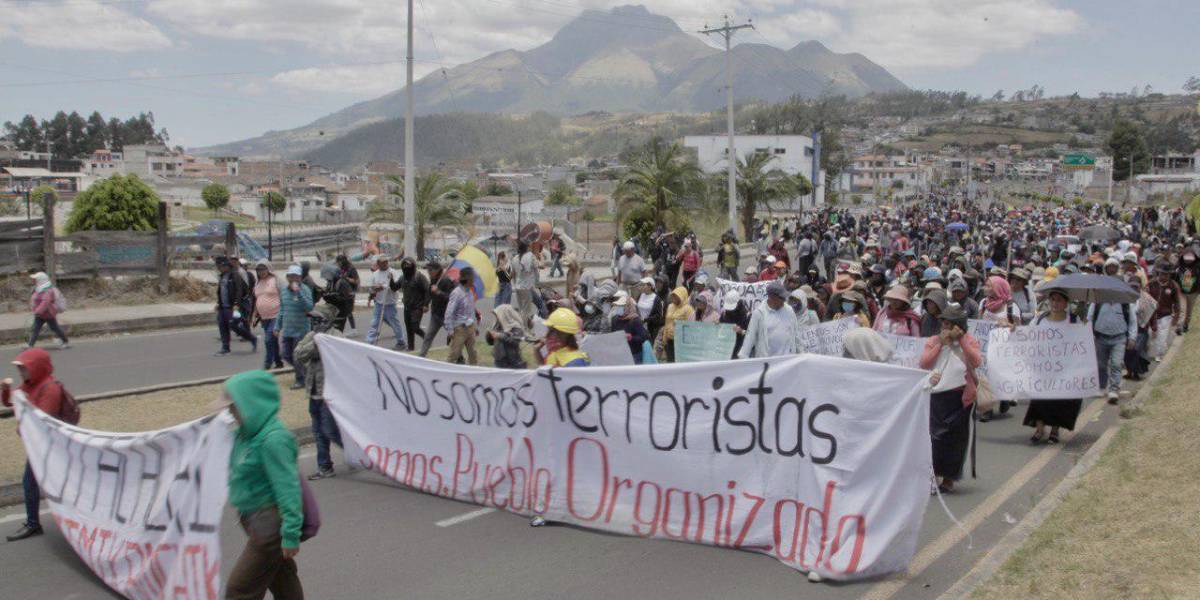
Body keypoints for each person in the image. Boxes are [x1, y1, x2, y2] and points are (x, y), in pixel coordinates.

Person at [221, 371, 305, 599]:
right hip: (254, 520)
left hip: (270, 527)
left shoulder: (274, 440)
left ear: (251, 405)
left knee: (239, 590)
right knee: (284, 582)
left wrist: (290, 533)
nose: (230, 412)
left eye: (234, 406)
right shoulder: (245, 436)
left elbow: (288, 489)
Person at [2, 348, 72, 541]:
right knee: (35, 482)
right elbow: (10, 403)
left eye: (23, 368)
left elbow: (42, 420)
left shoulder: (50, 388)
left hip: (51, 446)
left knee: (35, 482)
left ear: (37, 368)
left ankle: (36, 524)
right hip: (39, 445)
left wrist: (23, 425)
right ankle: (36, 523)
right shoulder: (30, 385)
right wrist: (6, 390)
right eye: (19, 368)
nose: (20, 372)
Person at [920, 303, 983, 494]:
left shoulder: (969, 341)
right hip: (936, 396)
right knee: (935, 439)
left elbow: (976, 361)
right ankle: (932, 476)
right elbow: (924, 363)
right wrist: (940, 343)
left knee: (955, 441)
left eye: (949, 324)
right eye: (943, 324)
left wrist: (961, 340)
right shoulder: (933, 340)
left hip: (960, 397)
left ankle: (949, 478)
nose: (945, 328)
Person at [1023, 289, 1084, 444]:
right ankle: (1039, 430)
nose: (1055, 303)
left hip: (1064, 368)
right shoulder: (1040, 319)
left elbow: (1081, 344)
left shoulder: (1074, 321)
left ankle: (1055, 431)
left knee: (1059, 400)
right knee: (1039, 399)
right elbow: (1027, 335)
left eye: (1059, 300)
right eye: (1053, 299)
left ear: (1066, 303)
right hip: (1042, 367)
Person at [293, 303, 343, 480]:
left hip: (329, 393)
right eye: (312, 319)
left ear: (327, 320)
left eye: (318, 319)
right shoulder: (311, 336)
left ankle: (358, 453)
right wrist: (316, 342)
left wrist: (320, 343)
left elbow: (337, 358)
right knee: (318, 431)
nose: (314, 323)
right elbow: (298, 354)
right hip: (313, 391)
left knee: (330, 430)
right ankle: (324, 466)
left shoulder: (337, 337)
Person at [1089, 280, 1137, 404]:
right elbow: (1090, 318)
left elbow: (1132, 321)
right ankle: (1101, 387)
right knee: (1101, 365)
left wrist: (1132, 338)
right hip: (1100, 338)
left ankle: (1113, 390)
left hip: (1119, 339)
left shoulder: (1126, 303)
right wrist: (1089, 335)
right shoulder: (1097, 302)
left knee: (1116, 364)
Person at [739, 282, 799, 358]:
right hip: (767, 362)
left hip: (787, 361)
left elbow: (796, 334)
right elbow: (750, 337)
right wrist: (743, 357)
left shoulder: (789, 311)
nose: (784, 300)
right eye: (782, 298)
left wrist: (803, 354)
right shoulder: (759, 313)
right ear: (771, 296)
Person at [279, 265, 314, 390]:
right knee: (285, 354)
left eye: (296, 276)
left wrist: (298, 292)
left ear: (300, 278)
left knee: (297, 355)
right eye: (291, 276)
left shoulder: (305, 289)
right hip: (288, 328)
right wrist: (277, 326)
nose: (293, 278)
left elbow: (309, 307)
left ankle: (300, 379)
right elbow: (282, 309)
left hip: (301, 329)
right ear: (287, 277)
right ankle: (306, 371)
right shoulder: (283, 290)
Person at [215, 257, 257, 356]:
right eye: (218, 267)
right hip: (223, 307)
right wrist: (218, 303)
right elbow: (222, 291)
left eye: (220, 266)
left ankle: (251, 338)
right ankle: (225, 348)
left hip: (232, 307)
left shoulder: (235, 275)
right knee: (222, 325)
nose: (219, 268)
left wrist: (236, 304)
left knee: (233, 325)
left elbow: (239, 291)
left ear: (226, 266)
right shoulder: (222, 276)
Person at [365, 256, 407, 350]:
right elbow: (371, 288)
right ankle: (369, 342)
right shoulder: (375, 274)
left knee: (395, 323)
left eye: (386, 262)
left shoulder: (393, 272)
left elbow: (395, 286)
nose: (385, 264)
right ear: (378, 264)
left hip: (390, 303)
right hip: (379, 303)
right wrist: (373, 292)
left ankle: (401, 341)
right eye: (382, 263)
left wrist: (383, 287)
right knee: (375, 323)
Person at [419, 260, 457, 357]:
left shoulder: (446, 280)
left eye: (430, 270)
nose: (428, 272)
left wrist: (439, 292)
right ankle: (421, 356)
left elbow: (451, 298)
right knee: (428, 336)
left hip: (446, 316)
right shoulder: (433, 280)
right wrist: (426, 304)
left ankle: (460, 357)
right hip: (435, 315)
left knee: (454, 337)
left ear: (437, 270)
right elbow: (429, 293)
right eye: (427, 270)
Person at [251, 261, 283, 370]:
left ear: (268, 269)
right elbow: (258, 299)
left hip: (276, 315)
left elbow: (283, 296)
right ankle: (278, 362)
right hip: (264, 317)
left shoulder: (275, 280)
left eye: (263, 269)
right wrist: (255, 314)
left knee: (268, 340)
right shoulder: (258, 283)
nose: (261, 272)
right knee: (273, 340)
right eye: (258, 270)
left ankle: (267, 364)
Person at [444, 266, 479, 365]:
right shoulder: (456, 293)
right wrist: (450, 329)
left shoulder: (470, 292)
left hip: (470, 327)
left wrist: (475, 326)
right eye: (473, 277)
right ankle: (446, 370)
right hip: (460, 328)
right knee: (454, 354)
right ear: (467, 278)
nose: (474, 279)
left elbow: (471, 310)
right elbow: (449, 312)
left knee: (473, 353)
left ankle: (473, 371)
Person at [1125, 276, 1157, 381]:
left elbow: (1152, 313)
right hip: (1127, 330)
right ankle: (1129, 372)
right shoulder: (1124, 298)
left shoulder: (1147, 299)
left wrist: (1154, 326)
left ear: (1140, 286)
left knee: (1137, 350)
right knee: (1127, 352)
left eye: (1136, 286)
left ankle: (1136, 373)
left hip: (1142, 329)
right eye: (1131, 286)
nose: (1134, 288)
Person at [26, 272, 68, 349]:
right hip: (39, 315)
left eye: (35, 279)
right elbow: (34, 299)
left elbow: (45, 303)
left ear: (41, 280)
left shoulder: (48, 290)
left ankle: (65, 341)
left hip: (48, 314)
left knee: (55, 328)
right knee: (35, 329)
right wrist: (34, 308)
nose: (33, 281)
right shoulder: (38, 288)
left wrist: (37, 311)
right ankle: (30, 345)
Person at [398, 257, 429, 351]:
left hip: (417, 307)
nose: (406, 267)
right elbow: (395, 287)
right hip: (407, 307)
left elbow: (427, 291)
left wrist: (426, 304)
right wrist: (390, 280)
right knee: (409, 328)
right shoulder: (402, 278)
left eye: (408, 265)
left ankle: (427, 339)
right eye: (404, 265)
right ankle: (411, 347)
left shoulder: (419, 277)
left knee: (415, 327)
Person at [611, 293, 650, 364]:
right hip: (620, 353)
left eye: (621, 306)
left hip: (634, 354)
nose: (618, 308)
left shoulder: (635, 320)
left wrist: (631, 338)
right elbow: (612, 334)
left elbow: (644, 337)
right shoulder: (615, 319)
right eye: (618, 306)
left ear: (628, 307)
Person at [485, 305, 527, 369]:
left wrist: (499, 335)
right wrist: (489, 335)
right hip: (499, 360)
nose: (497, 317)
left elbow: (515, 341)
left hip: (512, 361)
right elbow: (490, 343)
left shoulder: (516, 327)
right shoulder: (497, 325)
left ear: (504, 315)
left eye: (498, 315)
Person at [662, 287, 695, 362]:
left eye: (676, 296)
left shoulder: (688, 309)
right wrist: (664, 337)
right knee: (670, 361)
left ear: (682, 296)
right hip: (670, 339)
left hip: (681, 341)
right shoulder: (670, 306)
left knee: (679, 362)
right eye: (673, 295)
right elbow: (667, 322)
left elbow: (691, 327)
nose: (674, 298)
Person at [513, 241, 537, 326]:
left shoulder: (515, 258)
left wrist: (515, 284)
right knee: (526, 310)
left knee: (521, 309)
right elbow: (536, 267)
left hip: (517, 286)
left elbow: (513, 273)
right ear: (527, 248)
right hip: (526, 287)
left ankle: (521, 326)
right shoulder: (530, 257)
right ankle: (524, 328)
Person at [336, 255, 360, 337]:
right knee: (344, 311)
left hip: (350, 292)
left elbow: (356, 281)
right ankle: (339, 329)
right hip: (343, 291)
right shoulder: (342, 268)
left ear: (343, 261)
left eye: (339, 262)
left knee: (349, 311)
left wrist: (346, 278)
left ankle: (354, 330)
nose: (338, 264)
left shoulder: (351, 269)